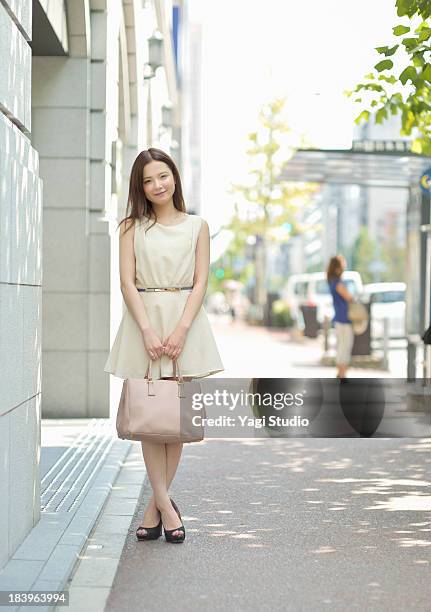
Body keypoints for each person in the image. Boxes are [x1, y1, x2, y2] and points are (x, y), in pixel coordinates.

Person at [104, 148, 224, 543]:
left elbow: (201, 282)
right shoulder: (130, 227)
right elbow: (127, 282)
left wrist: (181, 330)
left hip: (186, 326)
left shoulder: (197, 226)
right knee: (151, 422)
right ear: (140, 187)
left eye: (163, 176)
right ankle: (167, 507)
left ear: (174, 177)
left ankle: (155, 507)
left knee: (174, 424)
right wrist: (148, 332)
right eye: (148, 180)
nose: (157, 185)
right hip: (145, 324)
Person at [327, 255, 354, 380]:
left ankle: (340, 372)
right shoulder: (338, 283)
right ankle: (342, 373)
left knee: (341, 345)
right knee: (345, 345)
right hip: (345, 318)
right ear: (338, 268)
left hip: (338, 317)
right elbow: (349, 297)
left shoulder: (331, 282)